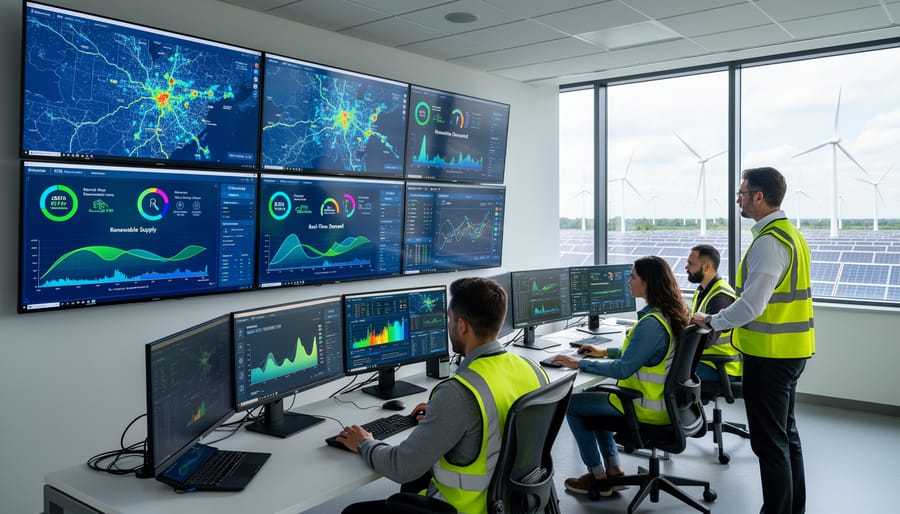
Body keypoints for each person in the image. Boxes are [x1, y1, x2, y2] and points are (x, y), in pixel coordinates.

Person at [337, 277, 549, 514]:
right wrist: (448, 418)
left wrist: (364, 443)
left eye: (449, 319)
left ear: (462, 325)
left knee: (353, 512)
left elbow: (401, 467)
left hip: (467, 508)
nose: (448, 326)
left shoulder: (458, 393)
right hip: (518, 503)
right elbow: (499, 417)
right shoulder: (533, 370)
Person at [692, 166, 814, 514]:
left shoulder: (769, 243)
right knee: (785, 435)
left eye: (742, 194)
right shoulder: (791, 235)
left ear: (759, 197)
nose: (738, 201)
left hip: (770, 356)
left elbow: (751, 306)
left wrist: (712, 321)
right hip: (792, 351)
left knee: (769, 443)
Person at [553, 255, 690, 496]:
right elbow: (644, 353)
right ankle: (614, 471)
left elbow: (622, 369)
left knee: (572, 404)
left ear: (647, 282)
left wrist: (579, 363)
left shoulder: (651, 324)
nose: (628, 282)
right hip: (662, 403)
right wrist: (605, 352)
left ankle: (597, 477)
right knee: (593, 395)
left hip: (644, 407)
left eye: (633, 277)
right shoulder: (669, 313)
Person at [685, 244, 740, 383]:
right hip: (705, 361)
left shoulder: (720, 297)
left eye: (691, 264)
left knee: (671, 374)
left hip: (719, 367)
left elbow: (707, 340)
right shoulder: (702, 290)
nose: (686, 267)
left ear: (707, 267)